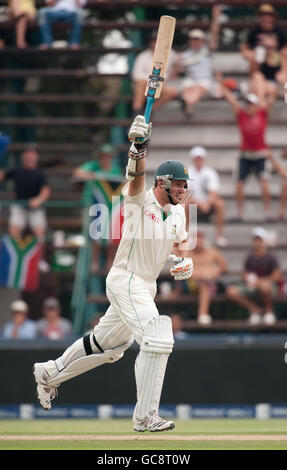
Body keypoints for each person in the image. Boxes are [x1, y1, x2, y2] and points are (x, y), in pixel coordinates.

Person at [33, 114, 194, 433]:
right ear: (161, 182)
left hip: (144, 287)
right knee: (158, 335)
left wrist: (184, 263)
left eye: (185, 185)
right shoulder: (140, 199)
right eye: (178, 184)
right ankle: (145, 416)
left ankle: (48, 373)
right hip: (125, 279)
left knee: (107, 348)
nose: (182, 189)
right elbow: (135, 177)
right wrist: (138, 149)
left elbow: (183, 249)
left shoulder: (178, 215)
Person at [220, 83, 274, 222]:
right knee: (239, 185)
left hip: (260, 155)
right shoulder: (242, 115)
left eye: (251, 104)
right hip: (246, 154)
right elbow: (232, 101)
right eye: (248, 104)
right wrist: (223, 86)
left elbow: (272, 97)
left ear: (256, 105)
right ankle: (239, 213)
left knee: (264, 183)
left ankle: (268, 212)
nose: (249, 106)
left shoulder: (262, 114)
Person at [73, 143, 124, 272]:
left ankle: (109, 260)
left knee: (114, 232)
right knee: (94, 231)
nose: (106, 159)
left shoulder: (115, 170)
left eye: (108, 156)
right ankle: (94, 261)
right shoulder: (93, 166)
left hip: (111, 208)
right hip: (93, 206)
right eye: (103, 156)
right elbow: (78, 172)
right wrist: (94, 176)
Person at [226, 226, 281, 325]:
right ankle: (255, 309)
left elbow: (276, 276)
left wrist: (260, 281)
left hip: (267, 285)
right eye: (255, 239)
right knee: (231, 291)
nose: (257, 242)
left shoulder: (271, 257)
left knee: (265, 287)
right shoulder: (250, 257)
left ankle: (269, 312)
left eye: (259, 239)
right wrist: (247, 278)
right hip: (252, 285)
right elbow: (245, 272)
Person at [173, 231, 228, 325]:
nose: (198, 243)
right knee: (203, 284)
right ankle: (202, 314)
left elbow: (224, 266)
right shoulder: (188, 253)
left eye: (200, 240)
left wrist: (215, 272)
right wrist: (195, 274)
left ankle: (202, 314)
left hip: (210, 283)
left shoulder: (212, 252)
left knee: (205, 284)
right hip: (191, 283)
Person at [178, 4, 222, 117]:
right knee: (189, 88)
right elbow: (177, 70)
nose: (195, 41)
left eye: (197, 39)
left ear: (202, 41)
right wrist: (177, 64)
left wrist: (216, 18)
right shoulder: (185, 55)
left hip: (205, 81)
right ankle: (188, 106)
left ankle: (187, 105)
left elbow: (214, 34)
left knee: (197, 89)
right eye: (193, 39)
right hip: (191, 80)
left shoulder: (207, 51)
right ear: (190, 41)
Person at [0, 144, 50, 239]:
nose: (29, 157)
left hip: (36, 208)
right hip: (19, 206)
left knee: (40, 233)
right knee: (14, 231)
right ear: (23, 156)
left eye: (32, 154)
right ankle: (15, 253)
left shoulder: (41, 173)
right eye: (27, 154)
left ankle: (40, 253)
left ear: (36, 156)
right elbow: (2, 176)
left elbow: (46, 191)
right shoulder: (17, 170)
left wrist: (38, 200)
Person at [131, 31, 180, 115]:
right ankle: (137, 113)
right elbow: (136, 75)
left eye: (157, 40)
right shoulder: (143, 56)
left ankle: (149, 112)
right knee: (141, 84)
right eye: (152, 40)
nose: (154, 42)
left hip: (161, 86)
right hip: (145, 85)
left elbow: (180, 62)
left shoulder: (171, 54)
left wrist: (176, 68)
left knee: (172, 91)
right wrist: (153, 79)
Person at [187, 146, 227, 247]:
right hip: (194, 204)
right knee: (185, 203)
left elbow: (214, 192)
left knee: (220, 204)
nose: (198, 161)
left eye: (200, 158)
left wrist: (207, 204)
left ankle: (219, 236)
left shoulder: (210, 172)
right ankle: (186, 235)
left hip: (206, 205)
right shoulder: (187, 172)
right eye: (197, 158)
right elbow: (185, 194)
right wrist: (200, 204)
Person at [240, 3, 287, 78]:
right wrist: (251, 54)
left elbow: (284, 49)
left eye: (269, 15)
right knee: (255, 63)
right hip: (259, 64)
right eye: (263, 15)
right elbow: (244, 49)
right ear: (260, 17)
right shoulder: (254, 32)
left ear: (273, 17)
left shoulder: (280, 32)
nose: (266, 17)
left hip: (276, 62)